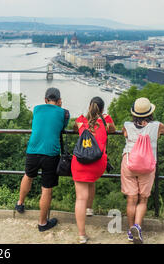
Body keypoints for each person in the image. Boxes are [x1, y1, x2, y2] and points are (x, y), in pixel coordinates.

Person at [15, 87, 70, 232]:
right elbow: (62, 127)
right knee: (46, 189)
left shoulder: (37, 109)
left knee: (28, 175)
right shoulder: (64, 113)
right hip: (50, 153)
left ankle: (20, 203)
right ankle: (42, 223)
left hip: (33, 149)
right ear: (59, 101)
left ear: (45, 100)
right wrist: (60, 107)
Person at [121, 97, 164, 244]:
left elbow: (124, 134)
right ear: (150, 112)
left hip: (129, 162)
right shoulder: (157, 126)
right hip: (147, 165)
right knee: (143, 199)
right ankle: (138, 226)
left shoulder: (127, 125)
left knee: (131, 199)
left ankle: (131, 231)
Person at [72, 97, 116, 243]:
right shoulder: (106, 120)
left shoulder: (80, 120)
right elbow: (113, 129)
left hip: (80, 162)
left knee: (80, 198)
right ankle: (89, 209)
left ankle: (82, 235)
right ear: (102, 109)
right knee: (91, 180)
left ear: (89, 107)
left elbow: (74, 127)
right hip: (98, 163)